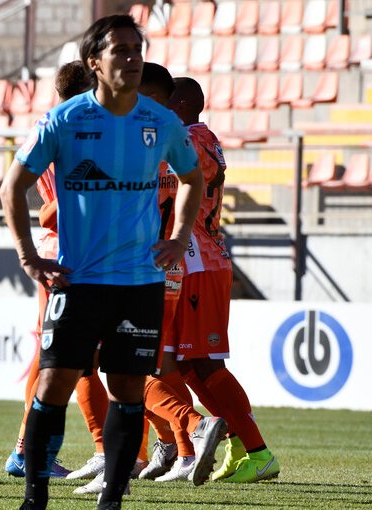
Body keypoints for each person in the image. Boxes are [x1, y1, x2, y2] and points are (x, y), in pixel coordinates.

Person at [0, 15, 204, 510]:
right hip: (79, 279)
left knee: (129, 388)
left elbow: (193, 178)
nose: (132, 58)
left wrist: (177, 238)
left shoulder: (159, 121)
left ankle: (111, 498)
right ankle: (35, 497)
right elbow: (12, 187)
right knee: (54, 382)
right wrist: (28, 255)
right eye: (120, 50)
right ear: (95, 62)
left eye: (137, 48)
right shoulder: (67, 120)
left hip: (140, 281)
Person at [167, 76, 280, 483]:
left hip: (199, 259)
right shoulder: (202, 138)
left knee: (203, 362)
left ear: (178, 104)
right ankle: (237, 445)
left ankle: (258, 449)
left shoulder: (192, 139)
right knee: (189, 366)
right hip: (199, 257)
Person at [130, 63, 227, 486]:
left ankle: (194, 431)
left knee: (123, 363)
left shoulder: (165, 144)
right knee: (163, 361)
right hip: (173, 263)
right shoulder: (180, 147)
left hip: (151, 265)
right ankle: (178, 448)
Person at [5, 61, 100, 480]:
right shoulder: (73, 129)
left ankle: (29, 450)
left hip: (58, 250)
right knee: (63, 358)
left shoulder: (46, 126)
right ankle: (29, 452)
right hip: (69, 253)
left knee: (64, 356)